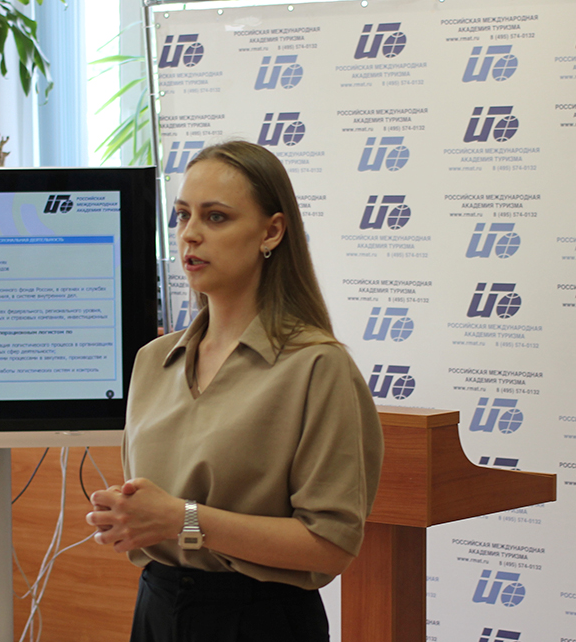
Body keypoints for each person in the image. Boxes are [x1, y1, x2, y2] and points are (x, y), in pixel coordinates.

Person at [85, 141, 384, 641]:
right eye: (183, 216)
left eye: (216, 217)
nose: (190, 234)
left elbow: (330, 545)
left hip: (260, 620)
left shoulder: (317, 366)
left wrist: (182, 519)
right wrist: (130, 515)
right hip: (156, 608)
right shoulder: (152, 361)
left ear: (272, 231)